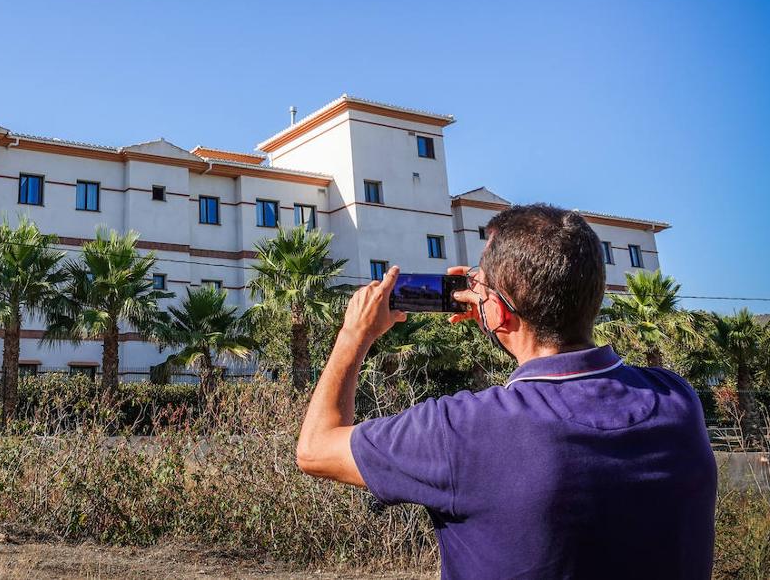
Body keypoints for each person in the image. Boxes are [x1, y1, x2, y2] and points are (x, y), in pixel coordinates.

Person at [296, 204, 716, 580]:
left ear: (496, 311)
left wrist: (354, 334)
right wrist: (496, 303)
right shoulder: (677, 401)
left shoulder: (462, 430)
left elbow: (314, 449)